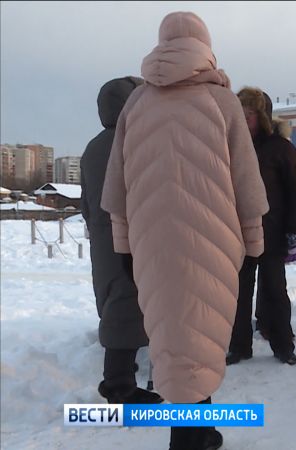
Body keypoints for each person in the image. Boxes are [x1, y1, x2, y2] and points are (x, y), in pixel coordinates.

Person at [101, 12, 268, 450]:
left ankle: (196, 430)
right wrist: (254, 238)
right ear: (205, 45)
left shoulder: (136, 104)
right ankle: (189, 437)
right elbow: (247, 182)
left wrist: (123, 241)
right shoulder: (222, 101)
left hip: (150, 241)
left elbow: (115, 185)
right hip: (213, 239)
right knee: (202, 333)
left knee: (172, 335)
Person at [81, 76, 163, 406]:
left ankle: (122, 376)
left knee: (117, 300)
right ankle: (118, 388)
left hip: (103, 237)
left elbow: (86, 203)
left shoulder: (92, 147)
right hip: (131, 235)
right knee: (127, 304)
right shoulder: (133, 141)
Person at [227, 87, 296, 366]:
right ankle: (239, 346)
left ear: (262, 116)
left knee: (274, 290)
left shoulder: (281, 149)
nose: (244, 120)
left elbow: (295, 192)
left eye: (248, 115)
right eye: (240, 114)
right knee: (240, 292)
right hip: (239, 232)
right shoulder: (232, 146)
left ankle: (283, 344)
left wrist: (293, 230)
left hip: (272, 232)